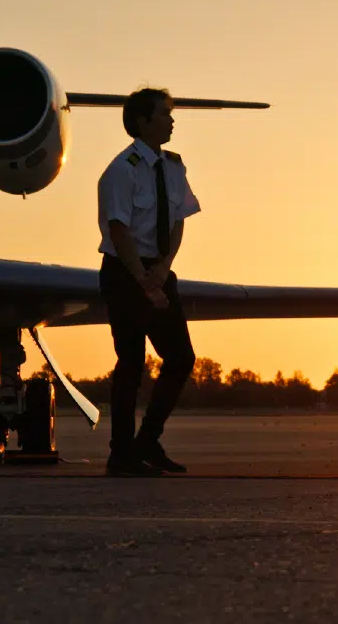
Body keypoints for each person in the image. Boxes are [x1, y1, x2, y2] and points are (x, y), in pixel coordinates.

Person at [97, 87, 199, 476]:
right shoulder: (121, 170)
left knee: (180, 358)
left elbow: (178, 222)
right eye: (164, 114)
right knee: (132, 363)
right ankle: (121, 454)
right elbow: (119, 230)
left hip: (157, 270)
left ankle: (147, 441)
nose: (171, 120)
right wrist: (144, 280)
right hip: (125, 274)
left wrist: (163, 270)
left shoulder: (173, 168)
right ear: (142, 122)